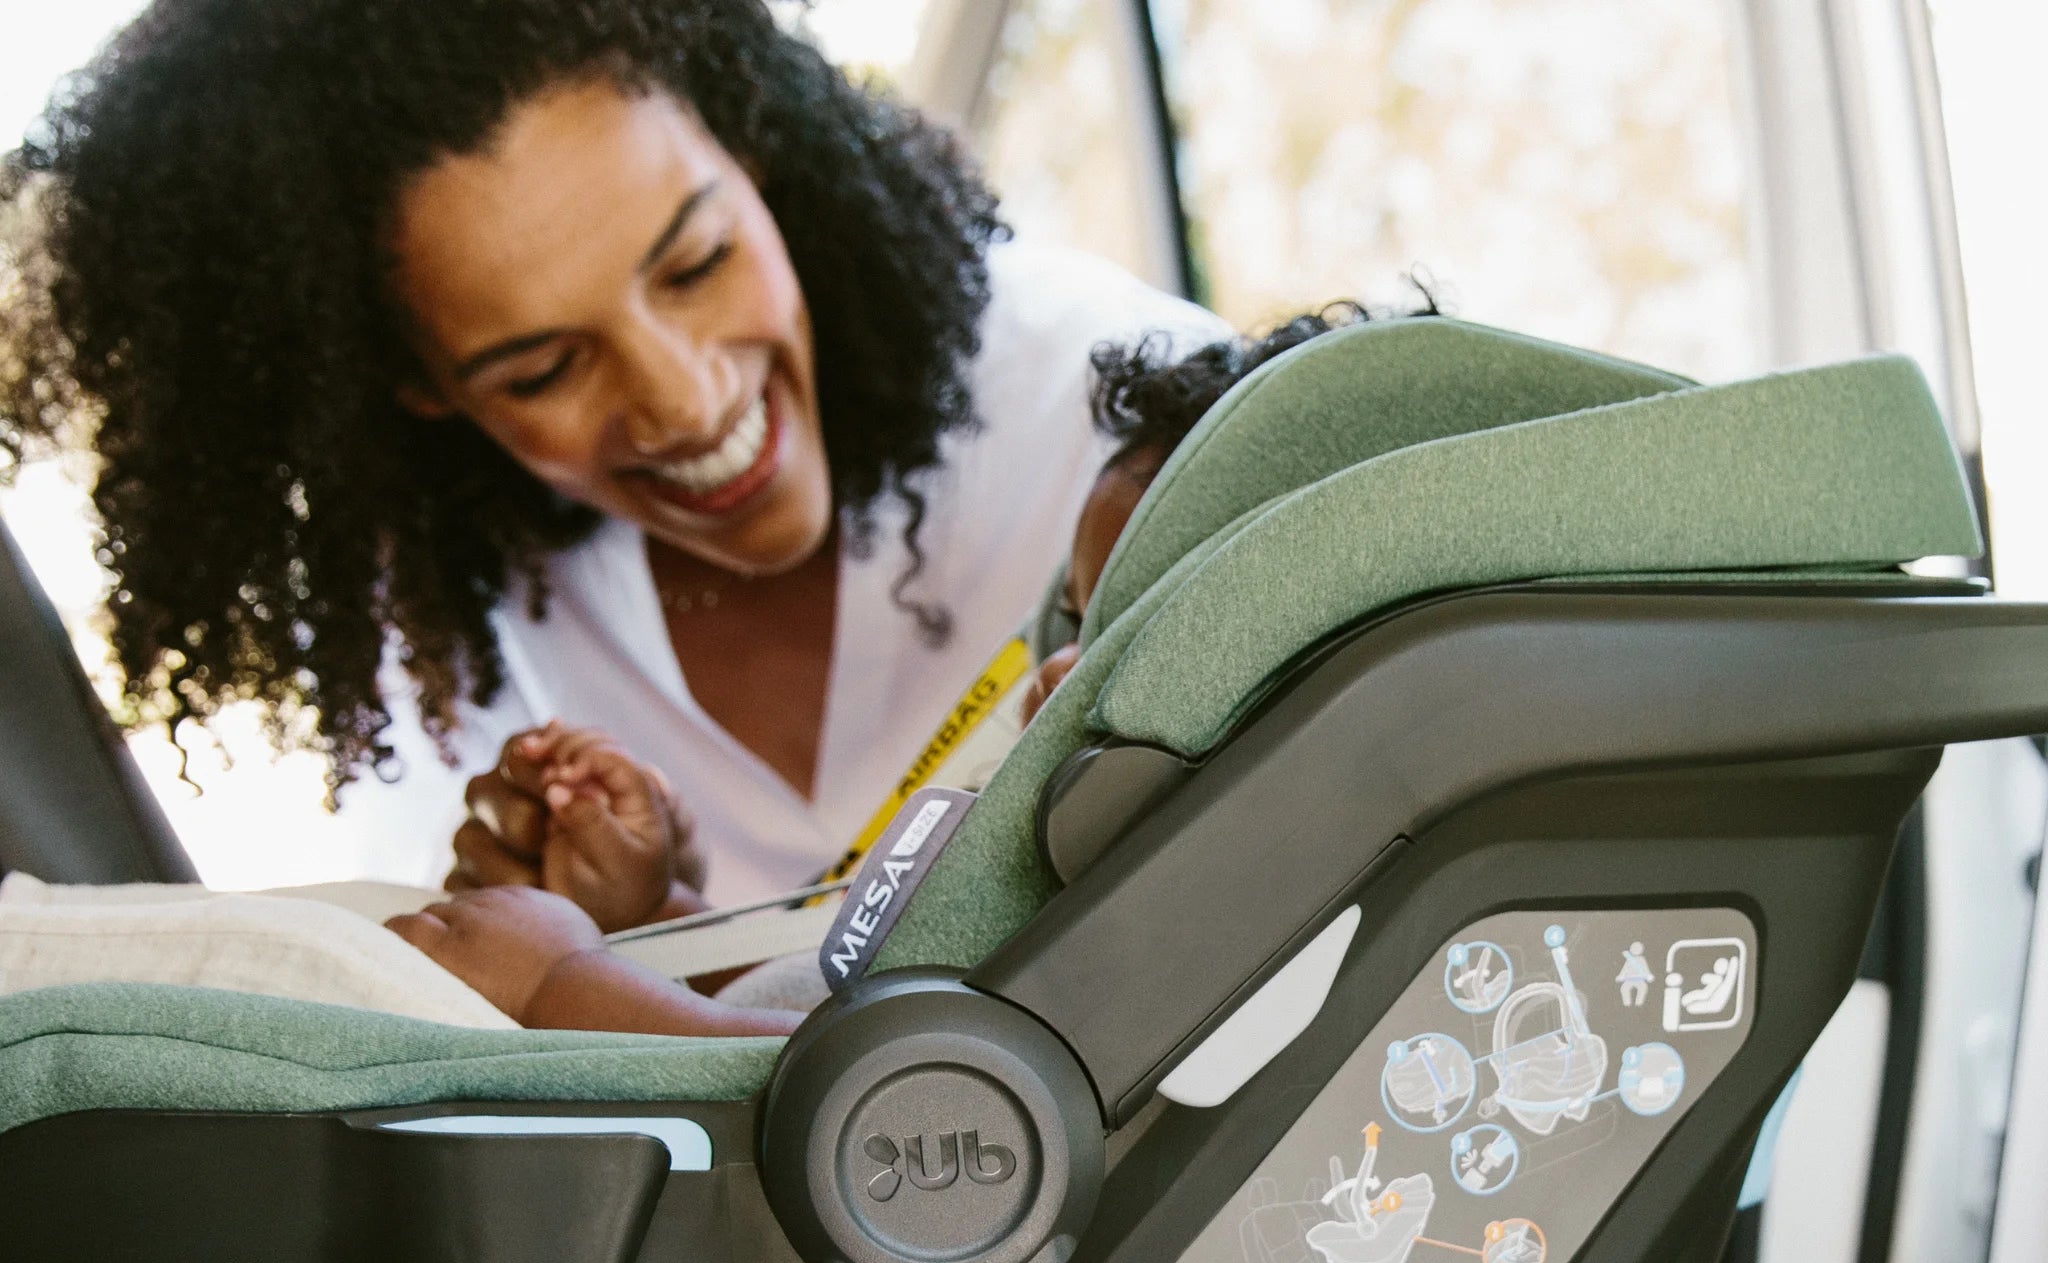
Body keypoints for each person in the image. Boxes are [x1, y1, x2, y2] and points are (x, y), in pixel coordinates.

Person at [0, 0, 1226, 906]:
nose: (683, 400)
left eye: (694, 264)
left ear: (749, 148)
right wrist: (618, 934)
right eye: (541, 371)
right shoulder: (451, 664)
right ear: (416, 390)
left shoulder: (1117, 417)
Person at [390, 310, 1366, 1032]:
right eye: (1076, 615)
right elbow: (829, 988)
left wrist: (560, 988)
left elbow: (882, 1085)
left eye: (1138, 626)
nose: (1060, 659)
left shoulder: (1222, 937)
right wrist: (656, 913)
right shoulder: (1043, 878)